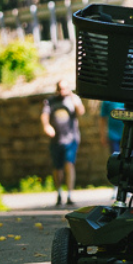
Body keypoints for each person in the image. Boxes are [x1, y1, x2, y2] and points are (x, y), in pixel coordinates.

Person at [41, 79, 85, 207]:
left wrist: (74, 99)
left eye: (64, 88)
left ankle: (70, 194)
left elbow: (81, 112)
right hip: (56, 140)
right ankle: (59, 192)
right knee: (57, 168)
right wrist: (46, 126)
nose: (62, 91)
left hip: (71, 138)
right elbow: (44, 115)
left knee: (69, 164)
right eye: (60, 88)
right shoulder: (50, 101)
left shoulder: (73, 99)